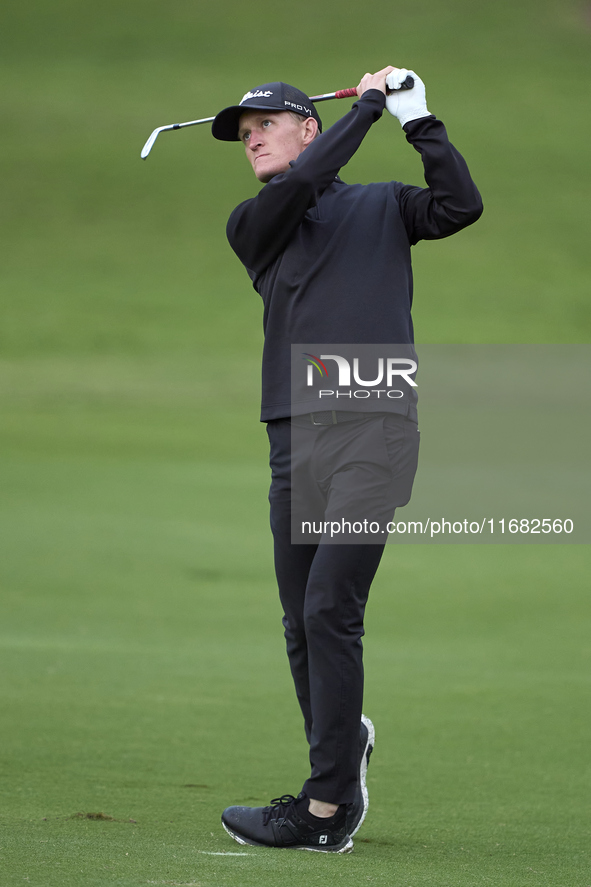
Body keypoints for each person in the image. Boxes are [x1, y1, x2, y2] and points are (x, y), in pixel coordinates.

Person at [211, 66, 483, 853]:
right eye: (242, 132)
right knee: (301, 621)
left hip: (374, 426)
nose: (250, 136)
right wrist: (366, 109)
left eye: (265, 122)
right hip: (294, 437)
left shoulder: (383, 202)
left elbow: (459, 206)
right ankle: (340, 754)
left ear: (306, 127)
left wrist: (417, 118)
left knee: (331, 602)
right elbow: (302, 192)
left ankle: (325, 805)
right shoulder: (253, 221)